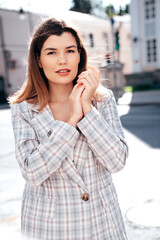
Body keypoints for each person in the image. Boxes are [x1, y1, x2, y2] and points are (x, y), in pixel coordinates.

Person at [9, 17, 129, 240]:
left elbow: (117, 161)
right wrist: (72, 119)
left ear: (79, 55)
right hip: (49, 227)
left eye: (70, 51)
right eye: (51, 52)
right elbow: (32, 172)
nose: (62, 60)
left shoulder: (102, 101)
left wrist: (86, 108)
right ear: (39, 60)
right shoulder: (24, 109)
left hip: (101, 223)